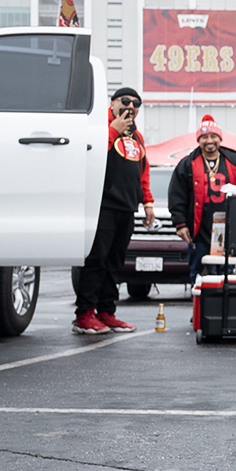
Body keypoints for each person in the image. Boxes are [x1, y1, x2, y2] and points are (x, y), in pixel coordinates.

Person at [73, 86, 152, 334]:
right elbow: (91, 157)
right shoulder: (99, 129)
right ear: (113, 103)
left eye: (136, 104)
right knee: (96, 260)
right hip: (103, 206)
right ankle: (84, 314)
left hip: (127, 208)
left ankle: (107, 312)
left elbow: (143, 171)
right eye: (125, 102)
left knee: (115, 263)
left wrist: (147, 202)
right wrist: (112, 131)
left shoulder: (136, 137)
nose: (130, 108)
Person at [169, 115, 236, 284]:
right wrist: (180, 224)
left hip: (228, 229)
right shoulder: (187, 164)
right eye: (204, 137)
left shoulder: (233, 160)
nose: (209, 141)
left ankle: (224, 308)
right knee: (198, 272)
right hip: (199, 229)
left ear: (219, 138)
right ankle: (199, 309)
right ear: (198, 140)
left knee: (226, 273)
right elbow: (177, 195)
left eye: (213, 136)